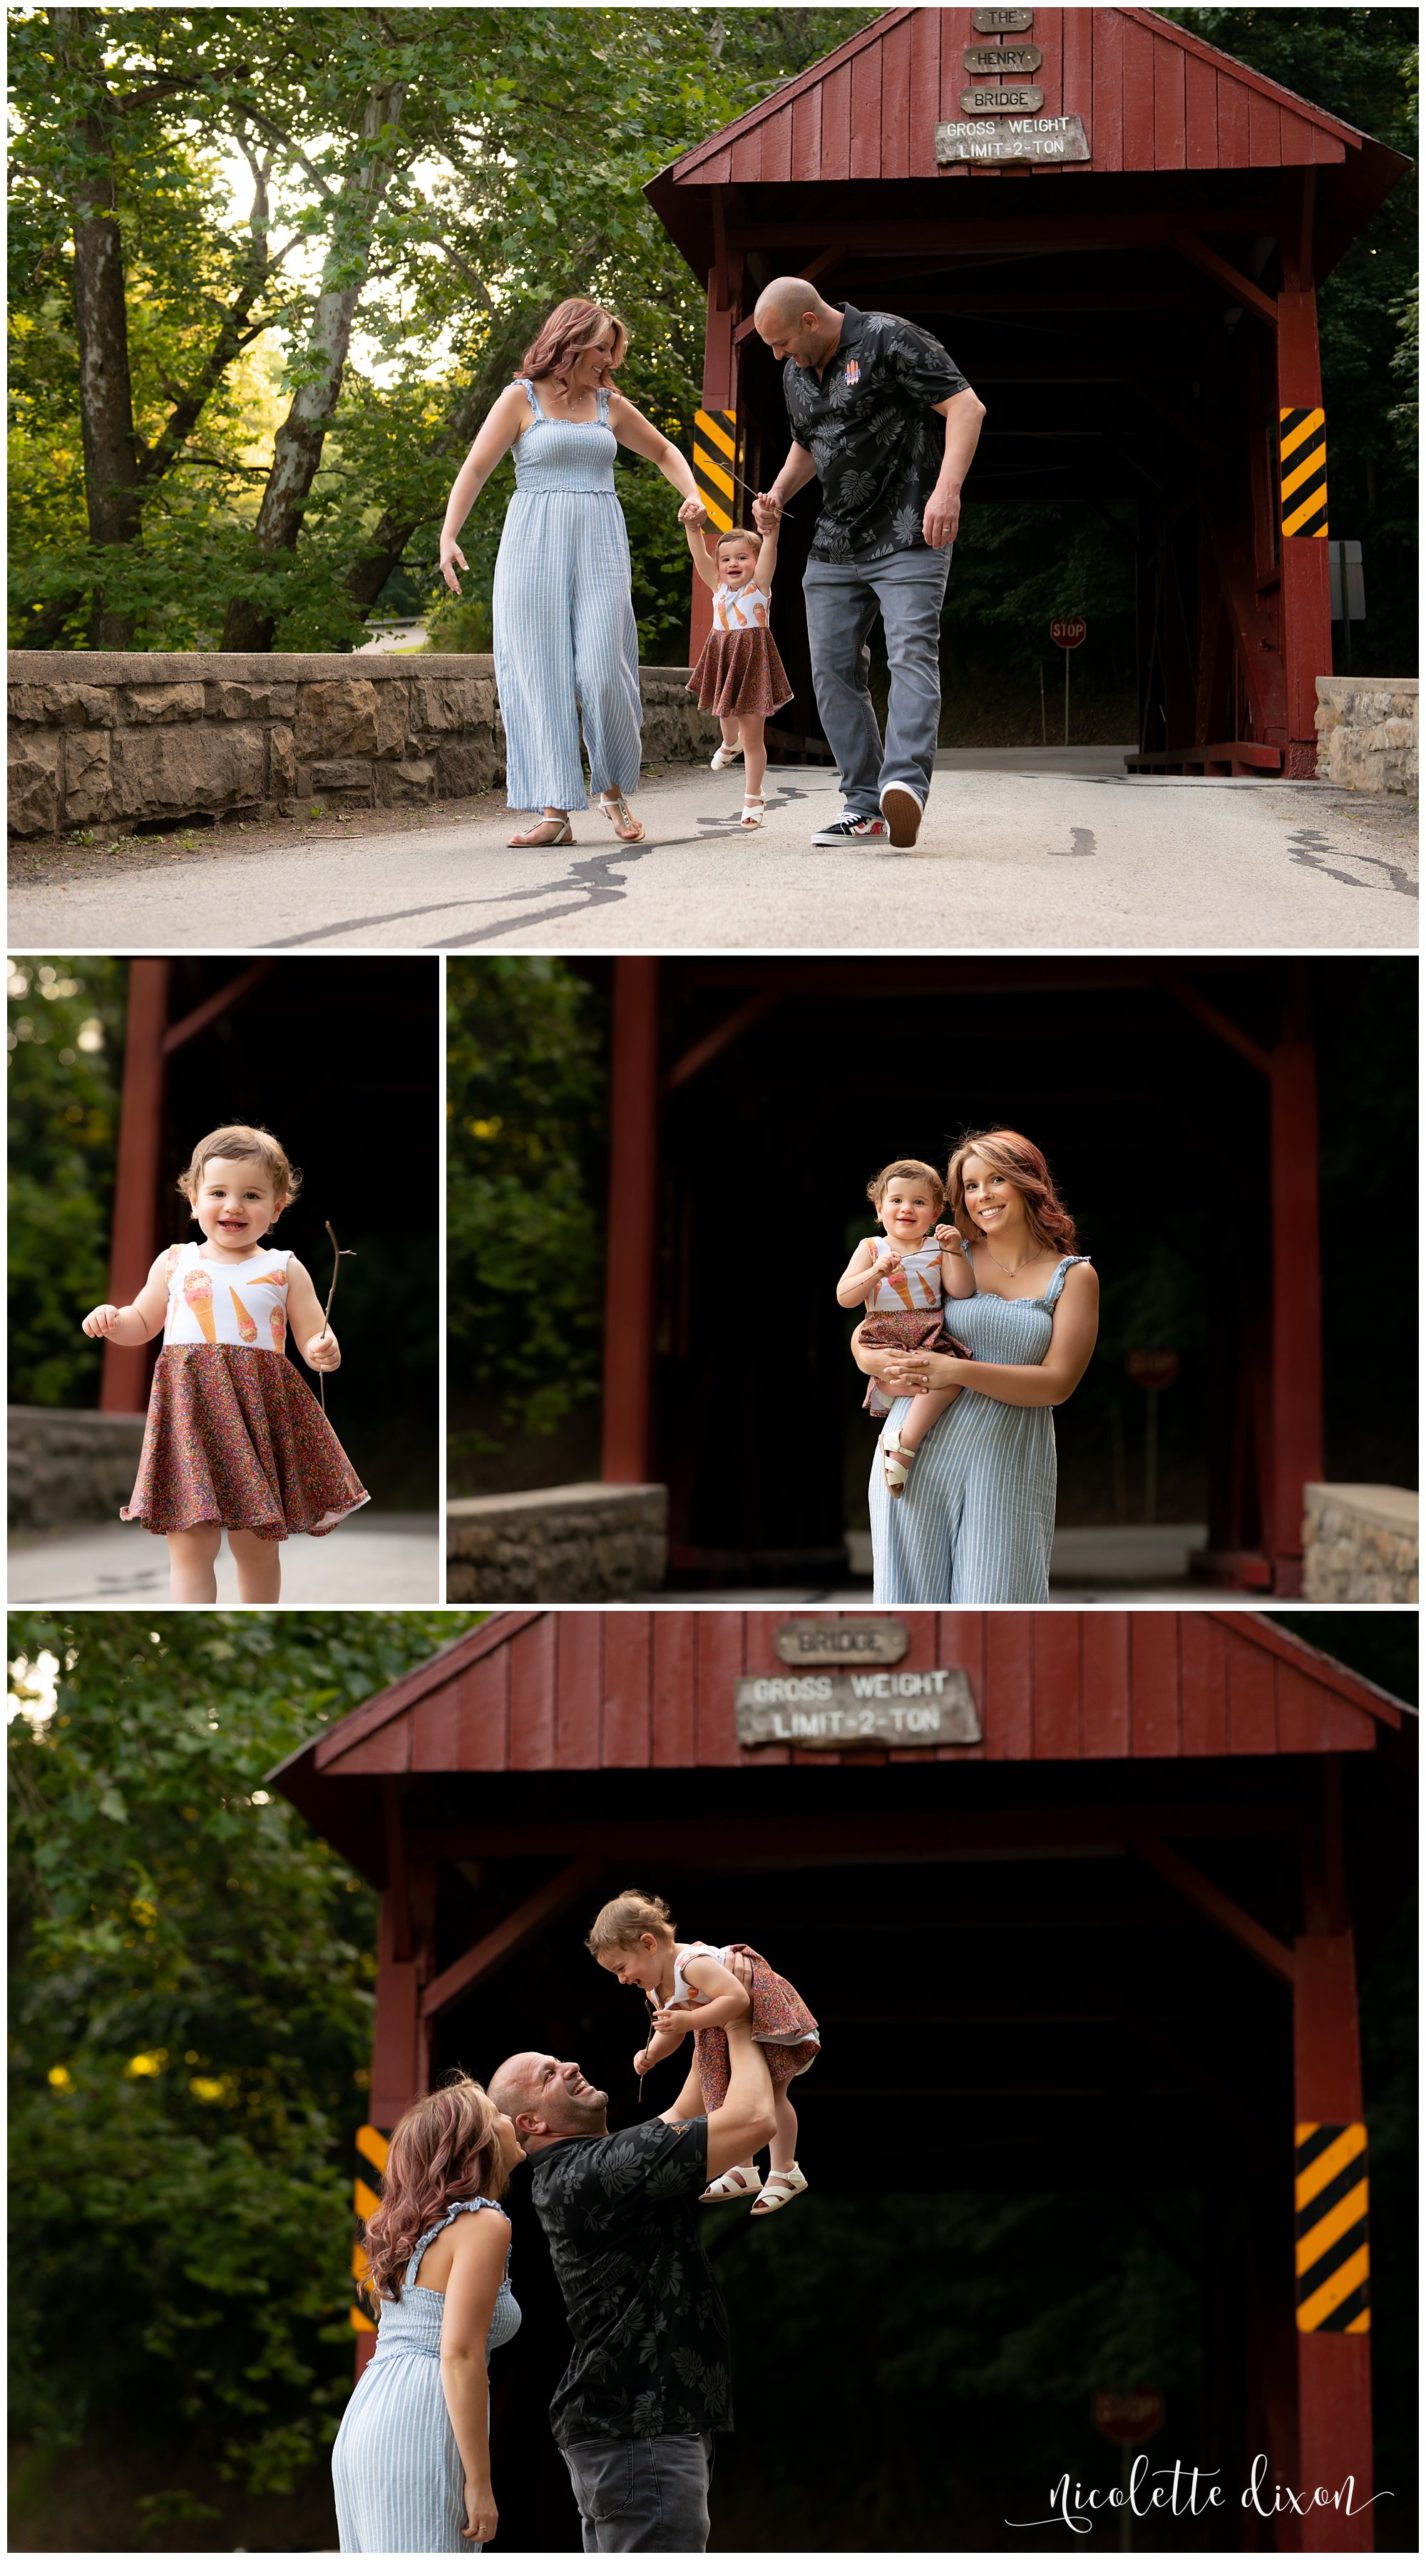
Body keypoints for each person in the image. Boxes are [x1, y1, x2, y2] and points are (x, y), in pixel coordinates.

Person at [488, 1995, 775, 2553]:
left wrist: (704, 2017)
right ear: (531, 2122)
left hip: (635, 2424)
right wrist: (740, 2020)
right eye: (549, 2073)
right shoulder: (596, 2172)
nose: (569, 2065)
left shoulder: (593, 2164)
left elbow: (685, 2116)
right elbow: (756, 2120)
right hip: (640, 2425)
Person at [439, 297, 708, 850]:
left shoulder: (610, 404)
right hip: (531, 545)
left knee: (604, 670)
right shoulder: (520, 398)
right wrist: (448, 534)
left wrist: (693, 494)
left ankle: (610, 789)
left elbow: (663, 451)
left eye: (613, 349)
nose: (609, 359)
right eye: (601, 347)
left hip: (599, 544)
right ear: (570, 343)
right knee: (539, 673)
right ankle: (555, 810)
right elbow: (475, 467)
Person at [80, 1122, 367, 1603]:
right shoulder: (175, 1262)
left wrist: (325, 1349)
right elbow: (142, 1323)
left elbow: (314, 1335)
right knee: (189, 1542)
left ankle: (257, 1615)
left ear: (276, 1208)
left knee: (256, 1545)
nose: (233, 1206)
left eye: (252, 1195)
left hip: (256, 1422)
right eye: (218, 1192)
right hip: (190, 1420)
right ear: (193, 1199)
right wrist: (114, 1320)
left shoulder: (283, 1268)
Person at [751, 276, 986, 851]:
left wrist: (948, 490)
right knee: (831, 670)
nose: (777, 356)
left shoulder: (889, 339)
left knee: (909, 652)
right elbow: (810, 441)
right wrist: (779, 493)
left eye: (781, 343)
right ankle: (864, 805)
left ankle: (902, 783)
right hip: (835, 542)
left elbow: (965, 406)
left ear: (810, 320)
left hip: (909, 528)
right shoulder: (793, 373)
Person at [852, 1130, 1099, 1602]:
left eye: (996, 1180)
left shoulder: (1074, 1276)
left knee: (999, 1613)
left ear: (1028, 1184)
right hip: (914, 1458)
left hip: (1008, 1466)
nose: (982, 1195)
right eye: (970, 1185)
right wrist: (863, 1353)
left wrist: (959, 1372)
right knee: (910, 1611)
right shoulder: (944, 1252)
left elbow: (1057, 1384)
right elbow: (884, 1316)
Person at [332, 2077, 524, 2553]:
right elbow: (459, 2353)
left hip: (368, 2414)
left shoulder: (419, 2230)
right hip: (420, 2414)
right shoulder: (483, 2223)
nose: (507, 2117)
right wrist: (479, 2482)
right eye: (493, 2113)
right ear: (475, 2143)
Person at [585, 1887, 819, 2216]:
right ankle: (744, 2168)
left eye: (621, 1967)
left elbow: (736, 1998)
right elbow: (674, 2031)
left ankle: (785, 2170)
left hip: (759, 2012)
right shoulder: (655, 1988)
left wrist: (691, 2019)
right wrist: (651, 2053)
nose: (622, 1979)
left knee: (773, 2094)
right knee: (721, 2094)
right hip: (719, 2027)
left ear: (649, 1944)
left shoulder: (690, 1964)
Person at [836, 1157, 973, 1496]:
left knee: (951, 1380)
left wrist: (954, 1251)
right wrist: (875, 1272)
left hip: (927, 1333)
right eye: (896, 1200)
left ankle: (903, 1442)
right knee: (926, 1379)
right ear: (880, 1208)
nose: (906, 1208)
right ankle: (888, 1391)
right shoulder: (871, 1247)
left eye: (919, 1202)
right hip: (885, 1334)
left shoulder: (937, 1249)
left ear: (935, 1212)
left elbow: (962, 1291)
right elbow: (845, 1297)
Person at [684, 515, 793, 830]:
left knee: (753, 738)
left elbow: (770, 550)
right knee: (726, 718)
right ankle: (729, 743)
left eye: (743, 558)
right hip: (724, 658)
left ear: (756, 563)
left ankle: (753, 797)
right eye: (726, 559)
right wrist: (693, 528)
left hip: (753, 663)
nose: (733, 564)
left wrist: (770, 532)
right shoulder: (717, 587)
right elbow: (700, 556)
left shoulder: (759, 587)